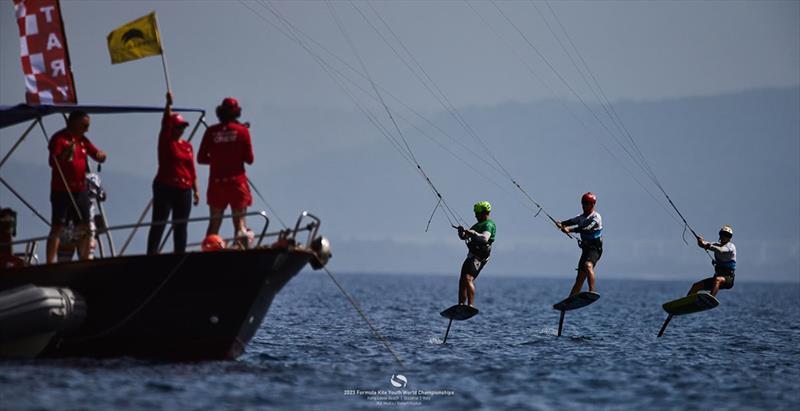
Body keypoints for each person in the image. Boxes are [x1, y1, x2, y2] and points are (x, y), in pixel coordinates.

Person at [46, 111, 106, 263]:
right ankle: (49, 262)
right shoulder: (59, 139)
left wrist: (101, 155)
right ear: (74, 123)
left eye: (88, 126)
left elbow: (95, 153)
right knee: (58, 227)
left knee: (85, 227)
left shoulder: (83, 140)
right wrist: (66, 152)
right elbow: (53, 162)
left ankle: (84, 259)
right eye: (85, 125)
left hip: (80, 191)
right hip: (62, 191)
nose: (87, 129)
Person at [146, 92, 200, 254]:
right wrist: (168, 104)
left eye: (182, 127)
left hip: (184, 189)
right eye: (178, 127)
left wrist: (196, 190)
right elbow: (165, 123)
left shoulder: (187, 146)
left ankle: (179, 253)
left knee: (181, 224)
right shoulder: (166, 141)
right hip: (165, 186)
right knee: (159, 222)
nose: (181, 130)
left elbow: (192, 169)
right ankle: (152, 253)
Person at [197, 97, 254, 247]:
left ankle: (209, 253)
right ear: (237, 113)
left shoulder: (211, 132)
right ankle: (242, 255)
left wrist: (217, 160)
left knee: (214, 225)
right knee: (240, 226)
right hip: (237, 183)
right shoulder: (243, 131)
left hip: (217, 184)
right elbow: (249, 159)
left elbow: (201, 158)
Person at [555, 192, 602, 297]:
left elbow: (586, 228)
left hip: (595, 248)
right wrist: (561, 224)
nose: (584, 205)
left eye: (587, 203)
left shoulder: (596, 217)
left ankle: (592, 292)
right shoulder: (580, 217)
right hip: (586, 250)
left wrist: (569, 230)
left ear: (592, 204)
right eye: (583, 203)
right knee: (579, 279)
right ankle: (569, 301)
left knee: (588, 266)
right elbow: (569, 222)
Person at [455, 201, 496, 307]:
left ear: (484, 213)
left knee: (468, 278)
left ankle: (470, 305)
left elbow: (484, 239)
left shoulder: (488, 224)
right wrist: (462, 233)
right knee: (462, 280)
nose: (475, 215)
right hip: (471, 255)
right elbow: (464, 237)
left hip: (479, 257)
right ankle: (461, 304)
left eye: (477, 213)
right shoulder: (477, 225)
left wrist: (472, 233)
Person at [687, 225, 737, 296]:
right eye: (723, 234)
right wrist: (700, 241)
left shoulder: (731, 246)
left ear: (729, 238)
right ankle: (686, 303)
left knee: (718, 279)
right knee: (696, 286)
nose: (724, 236)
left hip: (728, 279)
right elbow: (703, 244)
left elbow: (721, 250)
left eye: (727, 235)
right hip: (716, 279)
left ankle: (710, 298)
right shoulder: (716, 244)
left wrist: (708, 246)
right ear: (720, 235)